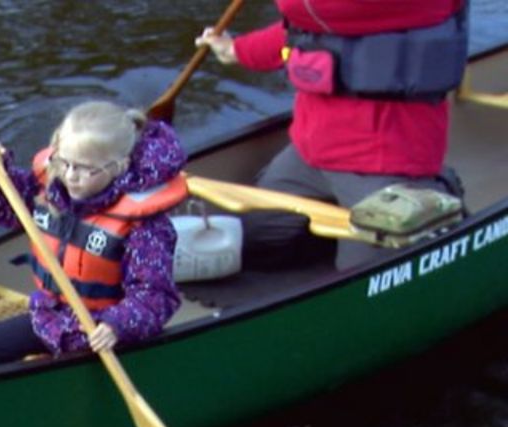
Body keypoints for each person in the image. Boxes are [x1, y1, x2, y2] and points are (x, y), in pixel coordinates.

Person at [196, 0, 469, 270]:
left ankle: (432, 192)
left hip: (385, 162)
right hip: (310, 153)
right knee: (254, 239)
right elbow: (300, 32)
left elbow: (321, 8)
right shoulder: (320, 17)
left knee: (361, 279)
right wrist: (239, 50)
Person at [0, 101, 187, 368]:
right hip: (52, 321)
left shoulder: (144, 228)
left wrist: (117, 325)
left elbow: (156, 297)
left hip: (105, 335)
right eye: (65, 163)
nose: (71, 176)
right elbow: (2, 205)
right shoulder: (50, 190)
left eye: (84, 168)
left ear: (118, 166)